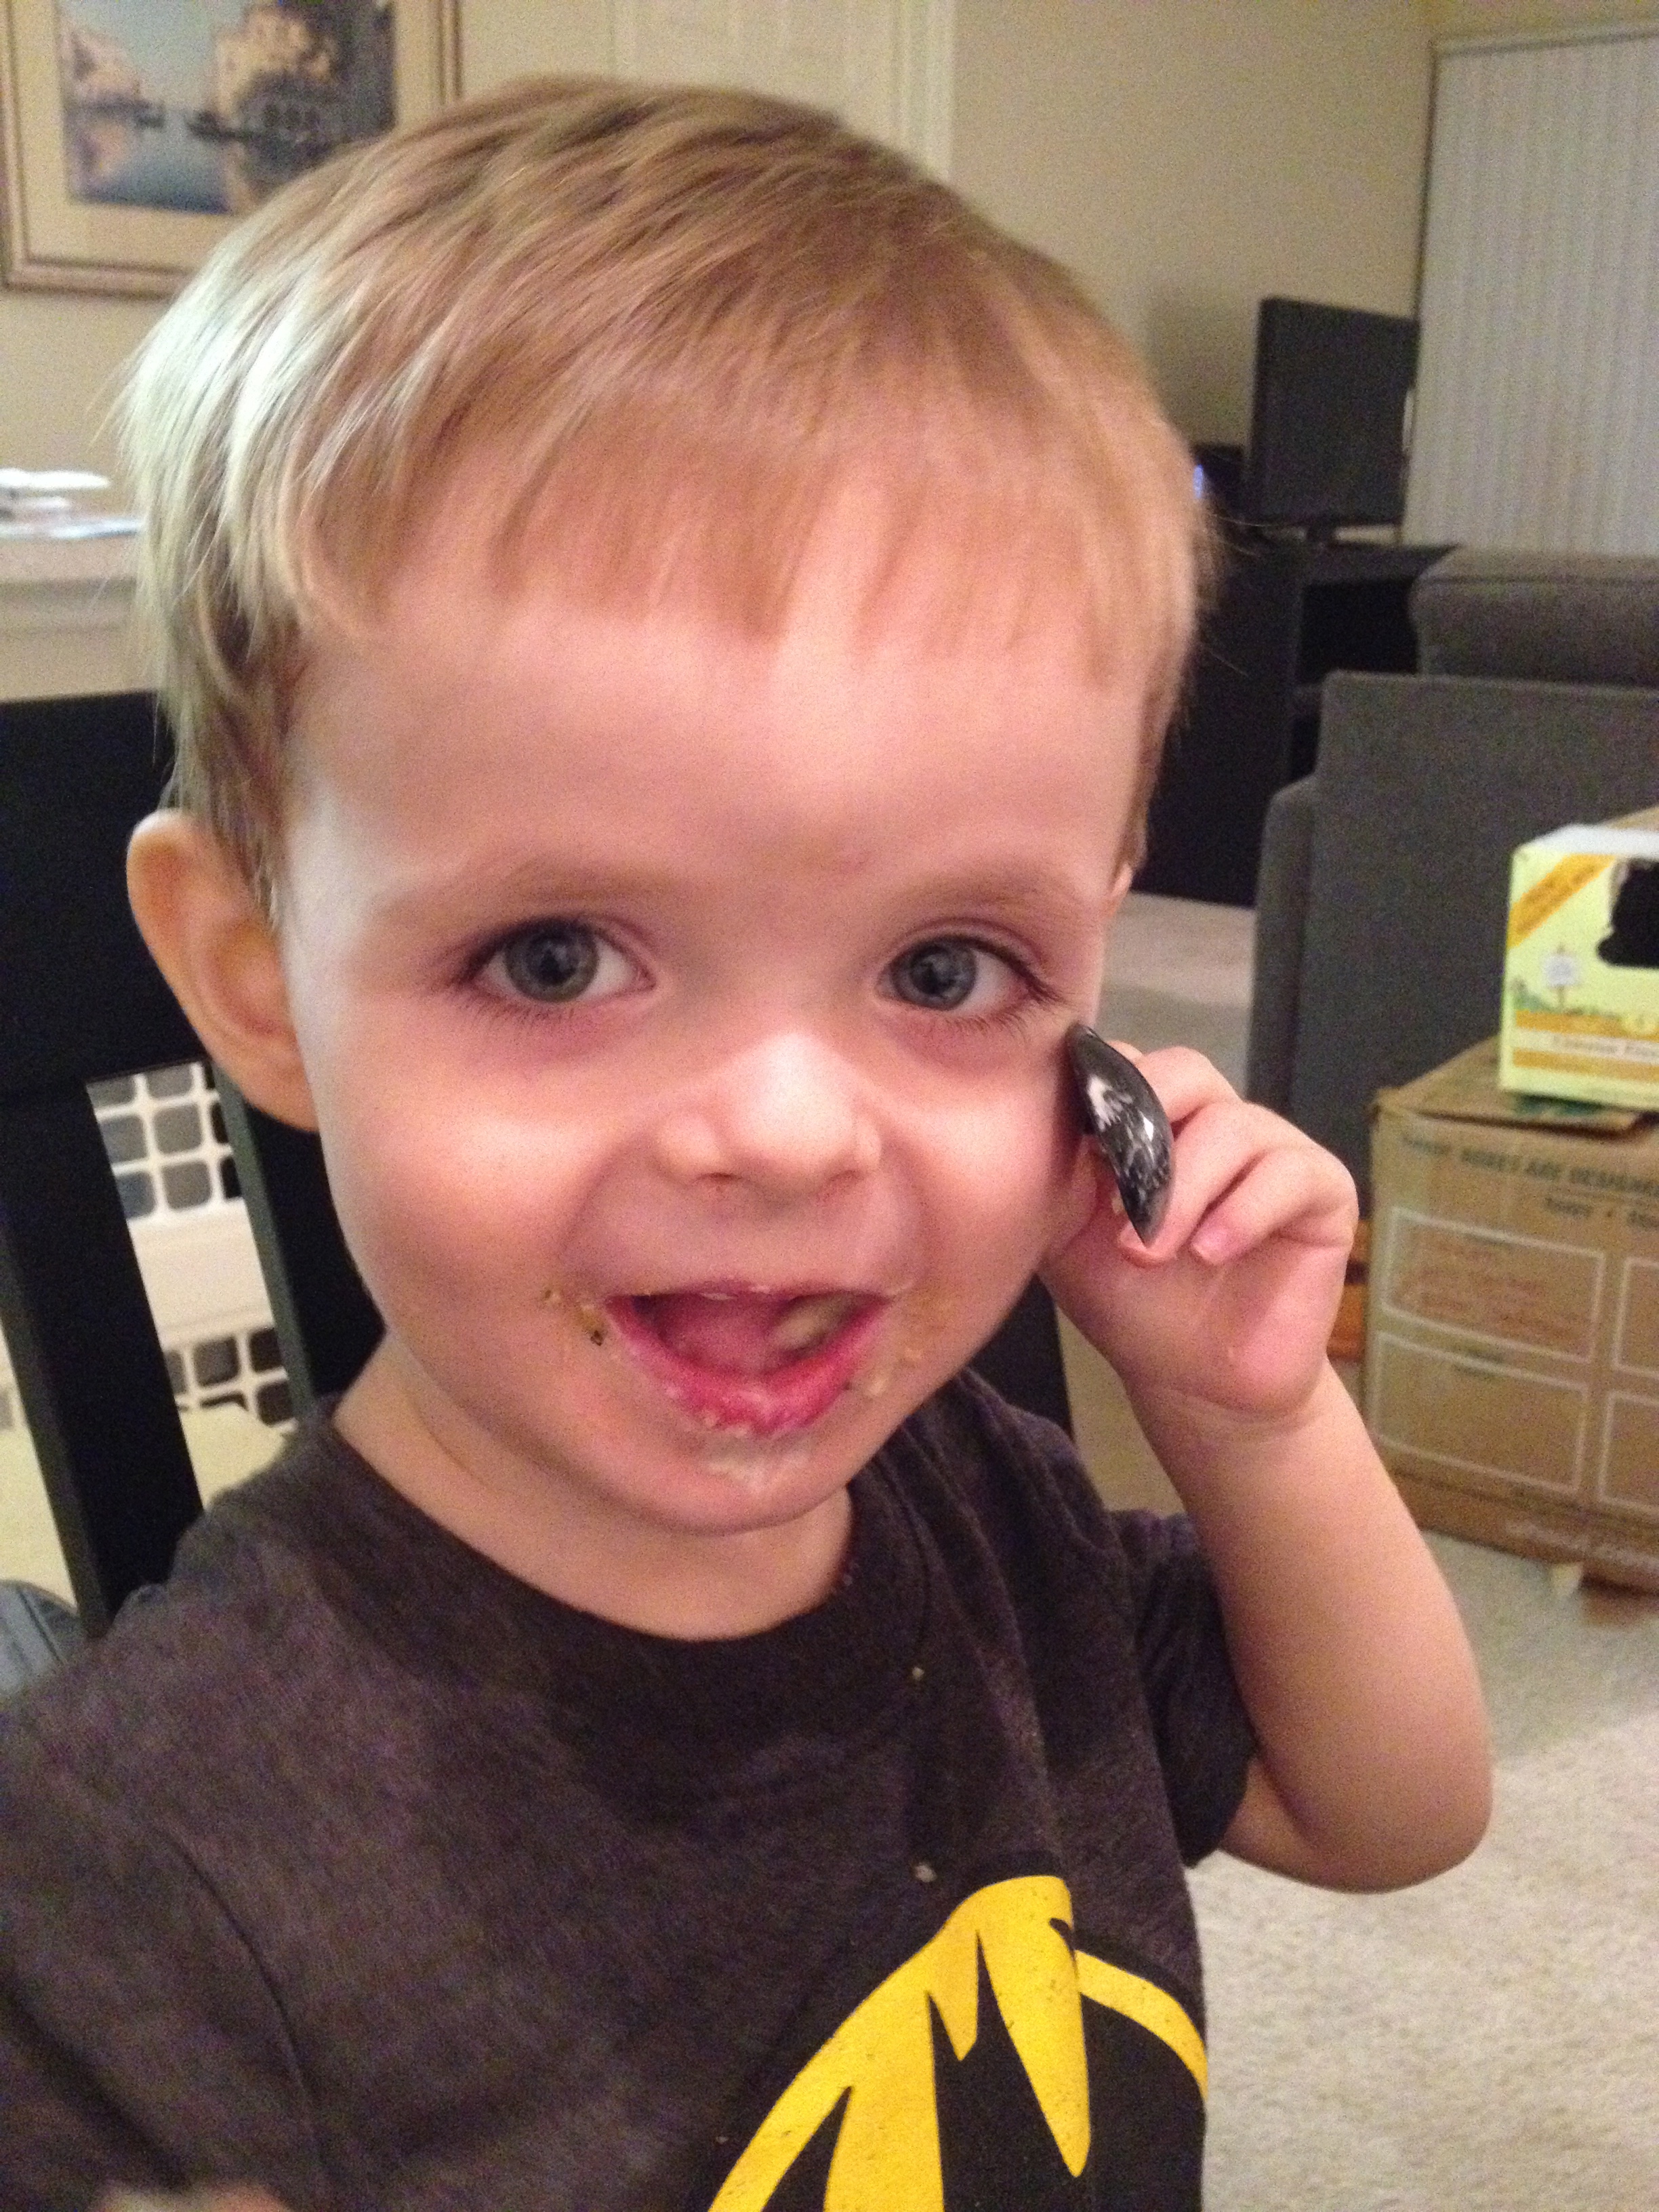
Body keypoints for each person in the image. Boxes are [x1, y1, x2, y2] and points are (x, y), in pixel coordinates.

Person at [0, 78, 1490, 2212]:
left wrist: (1251, 1422)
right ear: (254, 978)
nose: (791, 1131)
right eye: (553, 960)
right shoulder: (133, 1893)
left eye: (951, 967)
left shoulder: (993, 1511)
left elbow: (1393, 1812)